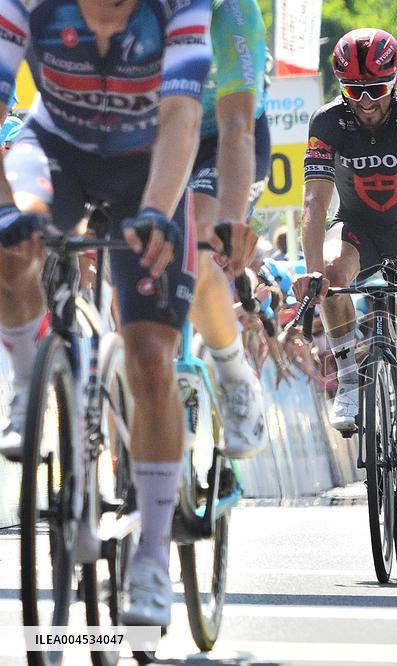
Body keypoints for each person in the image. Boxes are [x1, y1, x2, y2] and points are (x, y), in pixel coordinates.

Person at [0, 0, 212, 628]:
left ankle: (150, 554)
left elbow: (181, 114)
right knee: (10, 250)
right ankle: (29, 375)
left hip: (150, 163)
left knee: (150, 358)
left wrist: (155, 209)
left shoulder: (181, 7)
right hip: (55, 150)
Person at [294, 29, 397, 539]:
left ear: (396, 81)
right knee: (332, 273)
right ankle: (348, 373)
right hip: (360, 229)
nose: (365, 103)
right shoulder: (327, 121)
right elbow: (315, 204)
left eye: (377, 90)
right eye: (353, 91)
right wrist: (310, 270)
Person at [184, 0, 271, 459]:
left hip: (223, 137)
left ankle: (235, 376)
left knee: (198, 243)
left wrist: (232, 223)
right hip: (160, 133)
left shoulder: (232, 11)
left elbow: (238, 127)